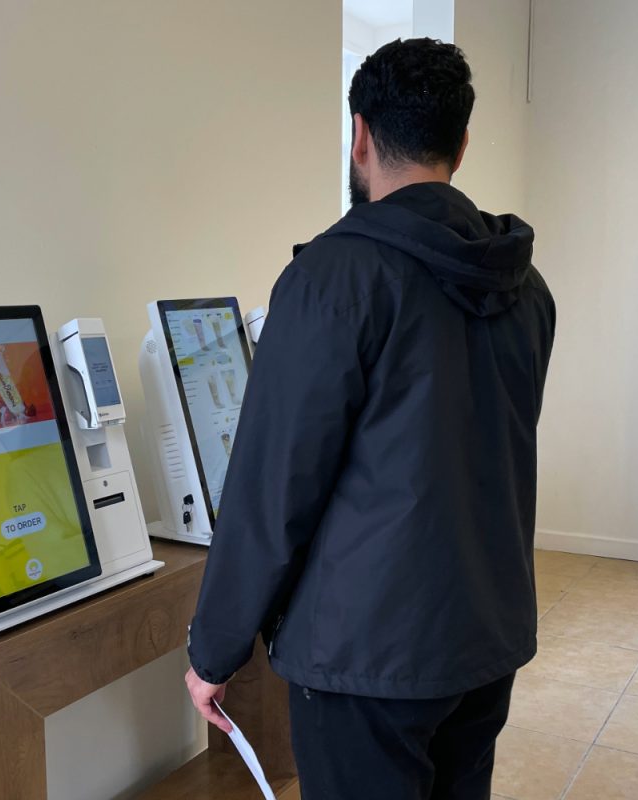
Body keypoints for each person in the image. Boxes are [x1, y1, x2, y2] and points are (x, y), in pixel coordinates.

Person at [183, 38, 556, 799]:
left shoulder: (331, 279)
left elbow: (270, 486)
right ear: (461, 144)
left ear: (359, 135)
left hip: (365, 658)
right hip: (485, 638)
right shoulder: (527, 287)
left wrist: (212, 652)